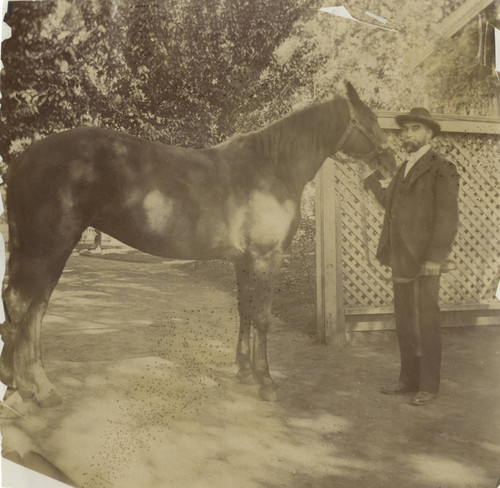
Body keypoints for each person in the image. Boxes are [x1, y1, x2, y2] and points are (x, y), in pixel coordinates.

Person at [363, 107, 459, 406]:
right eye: (404, 130)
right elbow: (389, 204)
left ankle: (428, 385)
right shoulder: (404, 168)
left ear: (429, 133)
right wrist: (369, 181)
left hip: (425, 261)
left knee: (426, 322)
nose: (408, 134)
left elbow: (447, 217)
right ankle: (408, 379)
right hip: (401, 258)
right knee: (405, 321)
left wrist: (435, 258)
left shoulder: (442, 167)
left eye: (415, 129)